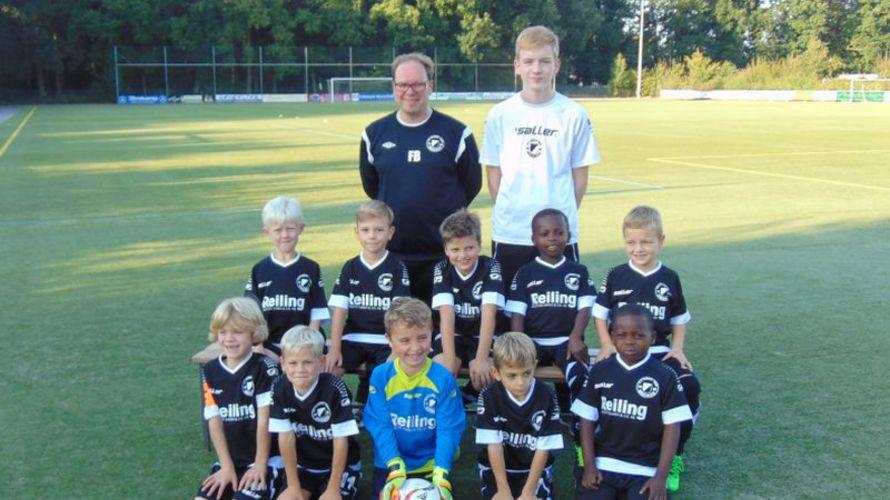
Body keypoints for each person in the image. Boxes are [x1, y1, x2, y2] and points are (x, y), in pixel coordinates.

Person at [481, 25, 601, 287]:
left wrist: (559, 221)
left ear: (556, 65)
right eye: (529, 61)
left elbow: (580, 179)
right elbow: (494, 174)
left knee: (560, 304)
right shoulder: (499, 114)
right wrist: (512, 210)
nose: (537, 69)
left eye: (545, 61)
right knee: (507, 307)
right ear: (517, 66)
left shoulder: (574, 114)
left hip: (557, 234)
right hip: (511, 232)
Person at [592, 205, 701, 492]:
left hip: (658, 353)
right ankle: (601, 448)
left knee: (689, 387)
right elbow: (600, 314)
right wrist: (606, 344)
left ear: (661, 241)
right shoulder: (616, 275)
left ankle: (675, 455)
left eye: (646, 242)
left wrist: (677, 348)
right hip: (622, 353)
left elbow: (679, 319)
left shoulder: (669, 278)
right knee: (593, 383)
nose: (638, 249)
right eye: (631, 242)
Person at [360, 52, 482, 305]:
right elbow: (373, 187)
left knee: (443, 324)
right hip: (392, 252)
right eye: (403, 84)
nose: (410, 91)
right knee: (399, 323)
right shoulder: (374, 134)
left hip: (445, 252)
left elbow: (471, 184)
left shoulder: (457, 132)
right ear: (394, 87)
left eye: (417, 84)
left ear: (430, 86)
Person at [572, 304, 693, 500]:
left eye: (639, 335)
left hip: (646, 468)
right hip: (604, 463)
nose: (629, 341)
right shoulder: (600, 371)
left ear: (652, 337)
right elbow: (586, 420)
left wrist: (660, 477)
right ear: (612, 337)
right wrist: (589, 466)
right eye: (622, 335)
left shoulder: (665, 376)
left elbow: (673, 428)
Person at [362, 297, 466, 499]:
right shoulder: (381, 376)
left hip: (432, 463)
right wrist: (393, 463)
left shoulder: (443, 378)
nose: (415, 347)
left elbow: (449, 428)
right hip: (391, 462)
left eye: (422, 338)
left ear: (432, 333)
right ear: (389, 339)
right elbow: (380, 424)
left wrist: (441, 470)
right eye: (405, 340)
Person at [505, 208, 595, 409]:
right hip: (533, 343)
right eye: (544, 234)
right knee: (516, 373)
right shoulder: (525, 273)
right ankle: (525, 417)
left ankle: (578, 419)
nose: (552, 238)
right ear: (534, 239)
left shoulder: (578, 271)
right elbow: (517, 314)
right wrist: (520, 345)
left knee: (581, 376)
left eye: (559, 232)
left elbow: (585, 308)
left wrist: (576, 337)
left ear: (568, 235)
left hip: (567, 342)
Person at [325, 200, 411, 410]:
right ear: (357, 233)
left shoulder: (397, 267)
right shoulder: (350, 267)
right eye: (366, 230)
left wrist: (396, 347)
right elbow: (339, 311)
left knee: (386, 372)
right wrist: (335, 348)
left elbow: (400, 314)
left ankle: (371, 409)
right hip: (353, 339)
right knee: (328, 371)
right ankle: (346, 408)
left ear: (390, 233)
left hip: (385, 341)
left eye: (379, 230)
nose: (372, 235)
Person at [197, 297, 282, 500]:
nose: (229, 338)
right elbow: (214, 420)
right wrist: (226, 466)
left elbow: (265, 421)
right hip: (231, 461)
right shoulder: (210, 371)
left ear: (254, 333)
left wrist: (260, 465)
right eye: (223, 332)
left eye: (237, 332)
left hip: (266, 460)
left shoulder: (265, 367)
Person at [270, 326, 362, 500]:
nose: (300, 369)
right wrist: (293, 486)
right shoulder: (279, 387)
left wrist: (333, 488)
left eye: (307, 362)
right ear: (283, 363)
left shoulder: (335, 389)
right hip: (303, 467)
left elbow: (340, 440)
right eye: (293, 363)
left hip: (340, 467)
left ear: (321, 361)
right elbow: (285, 437)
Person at [475, 332, 564, 500]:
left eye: (526, 373)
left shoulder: (547, 395)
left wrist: (529, 492)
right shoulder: (488, 396)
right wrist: (503, 490)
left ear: (534, 365)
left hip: (534, 471)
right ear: (496, 373)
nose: (521, 382)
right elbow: (494, 445)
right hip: (497, 469)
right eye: (512, 375)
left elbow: (543, 448)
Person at [245, 196, 330, 359]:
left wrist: (309, 343)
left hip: (304, 344)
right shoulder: (259, 269)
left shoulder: (311, 268)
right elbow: (250, 312)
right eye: (278, 230)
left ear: (301, 228)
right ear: (266, 232)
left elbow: (317, 312)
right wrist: (258, 345)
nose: (285, 235)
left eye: (290, 228)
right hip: (269, 345)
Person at [430, 209, 505, 384]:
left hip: (483, 336)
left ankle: (472, 397)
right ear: (446, 249)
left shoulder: (491, 266)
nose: (463, 255)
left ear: (479, 245)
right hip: (454, 334)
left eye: (469, 248)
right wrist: (449, 358)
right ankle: (453, 401)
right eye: (455, 249)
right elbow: (446, 314)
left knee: (484, 376)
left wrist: (481, 359)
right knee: (442, 371)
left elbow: (489, 313)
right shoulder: (441, 269)